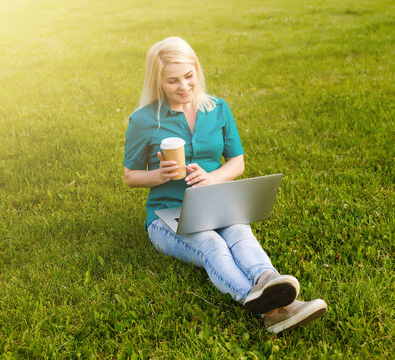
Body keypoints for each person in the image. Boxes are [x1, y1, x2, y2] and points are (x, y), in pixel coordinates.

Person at [123, 36, 327, 334]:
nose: (184, 86)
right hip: (166, 215)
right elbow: (130, 175)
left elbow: (237, 162)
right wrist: (162, 175)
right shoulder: (143, 121)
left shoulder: (217, 109)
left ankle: (269, 283)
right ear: (158, 82)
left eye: (189, 76)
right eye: (172, 81)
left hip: (215, 204)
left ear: (197, 70)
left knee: (241, 235)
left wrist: (212, 177)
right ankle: (271, 307)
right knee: (212, 245)